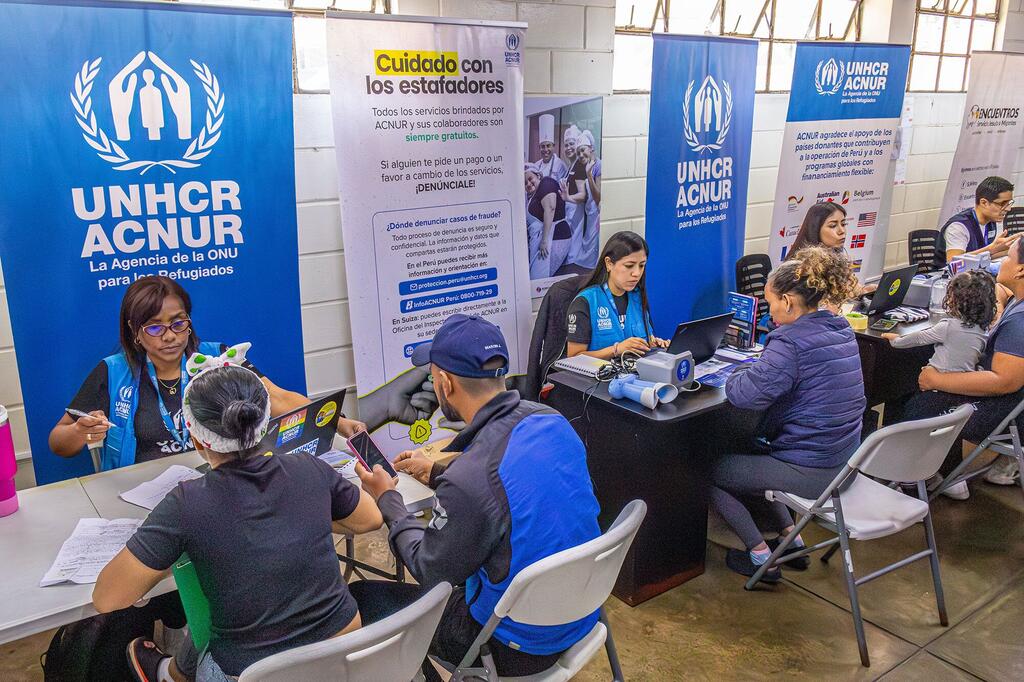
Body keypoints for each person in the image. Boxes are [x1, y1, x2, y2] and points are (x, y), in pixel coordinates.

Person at [92, 348, 383, 682]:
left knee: (207, 628)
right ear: (265, 421)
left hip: (254, 673)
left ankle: (169, 673)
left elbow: (107, 597)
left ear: (196, 437)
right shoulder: (310, 469)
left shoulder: (186, 504)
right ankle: (169, 672)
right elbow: (370, 519)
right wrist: (298, 514)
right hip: (343, 660)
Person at [348, 314, 602, 681]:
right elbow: (512, 488)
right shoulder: (552, 421)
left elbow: (430, 570)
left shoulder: (473, 477)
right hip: (580, 612)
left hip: (507, 645)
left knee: (362, 600)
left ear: (445, 384)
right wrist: (437, 472)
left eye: (433, 377)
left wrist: (388, 498)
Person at [48, 276, 365, 470]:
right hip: (143, 494)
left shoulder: (218, 358)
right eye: (155, 327)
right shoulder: (113, 372)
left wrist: (337, 420)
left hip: (220, 481)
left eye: (178, 322)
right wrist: (79, 432)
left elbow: (278, 397)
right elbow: (58, 443)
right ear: (135, 332)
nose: (170, 335)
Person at [712, 247, 865, 581]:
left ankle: (760, 557)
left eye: (770, 304)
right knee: (754, 449)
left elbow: (742, 393)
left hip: (811, 470)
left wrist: (743, 369)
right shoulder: (840, 329)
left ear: (788, 301)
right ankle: (789, 537)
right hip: (846, 460)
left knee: (709, 469)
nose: (769, 311)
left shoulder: (791, 342)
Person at [899, 237, 1024, 495]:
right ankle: (938, 472)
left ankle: (920, 478)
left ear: (1021, 270)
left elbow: (1004, 382)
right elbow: (1001, 290)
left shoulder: (1019, 326)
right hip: (1006, 401)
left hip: (1006, 412)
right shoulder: (1017, 299)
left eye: (1009, 257)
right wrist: (996, 307)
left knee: (918, 406)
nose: (1002, 262)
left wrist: (937, 381)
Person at [565, 231, 668, 359]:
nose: (636, 273)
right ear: (609, 263)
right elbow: (574, 358)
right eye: (629, 266)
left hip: (635, 374)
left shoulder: (637, 297)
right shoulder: (586, 302)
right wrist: (616, 349)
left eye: (641, 266)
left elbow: (645, 340)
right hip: (600, 376)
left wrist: (653, 345)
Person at [882, 270, 996, 373]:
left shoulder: (948, 327)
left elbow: (918, 338)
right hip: (965, 381)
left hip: (941, 381)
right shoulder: (983, 328)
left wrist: (895, 340)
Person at [937, 176, 1020, 263]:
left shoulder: (992, 221)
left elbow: (987, 255)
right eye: (1003, 204)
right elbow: (954, 263)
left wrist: (1014, 248)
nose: (1008, 209)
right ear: (984, 202)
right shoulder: (958, 226)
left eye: (1009, 203)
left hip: (976, 272)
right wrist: (991, 249)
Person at [526, 166, 573, 278]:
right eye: (524, 183)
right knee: (540, 277)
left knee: (541, 277)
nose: (528, 183)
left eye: (530, 178)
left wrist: (544, 241)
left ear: (538, 175)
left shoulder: (546, 183)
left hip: (554, 237)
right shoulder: (534, 194)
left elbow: (550, 208)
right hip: (544, 238)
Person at [565, 129, 601, 271]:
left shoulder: (598, 166)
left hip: (597, 217)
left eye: (583, 150)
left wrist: (589, 175)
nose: (580, 155)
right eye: (578, 152)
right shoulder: (588, 166)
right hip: (590, 217)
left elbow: (598, 198)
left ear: (591, 148)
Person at [531, 113, 567, 180]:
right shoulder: (536, 166)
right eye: (543, 146)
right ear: (539, 148)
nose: (545, 149)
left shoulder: (560, 165)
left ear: (553, 146)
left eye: (548, 146)